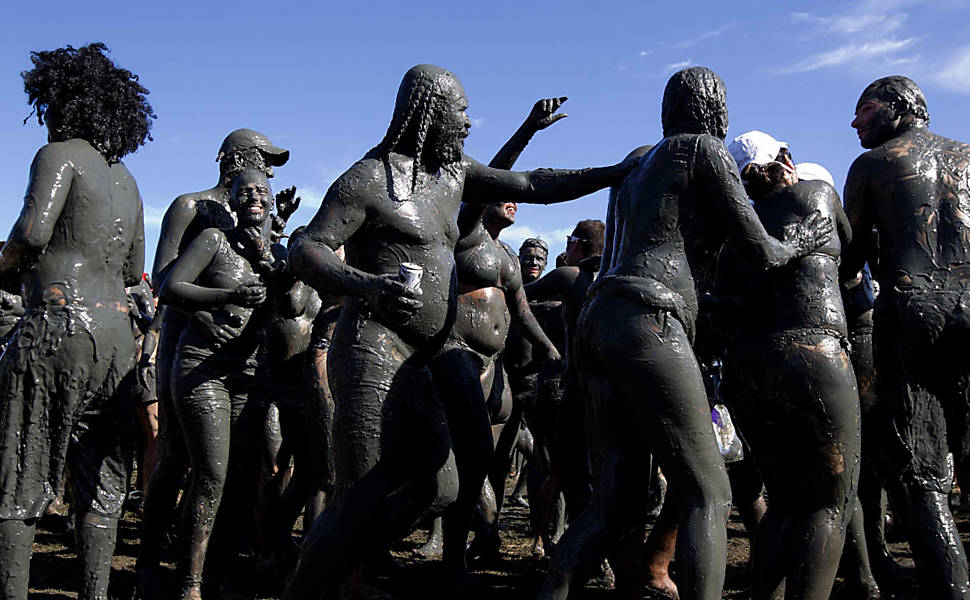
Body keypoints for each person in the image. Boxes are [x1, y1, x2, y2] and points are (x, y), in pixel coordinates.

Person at [282, 64, 633, 599]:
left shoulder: (454, 175)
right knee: (360, 492)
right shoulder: (369, 178)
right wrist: (368, 284)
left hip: (434, 348)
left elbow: (532, 183)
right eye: (461, 111)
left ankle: (352, 562)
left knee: (442, 481)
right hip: (376, 339)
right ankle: (310, 586)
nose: (468, 122)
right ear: (428, 114)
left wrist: (614, 172)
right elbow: (305, 247)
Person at [538, 66, 832, 600]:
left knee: (615, 503)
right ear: (716, 108)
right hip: (650, 318)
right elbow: (762, 252)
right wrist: (805, 237)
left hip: (600, 320)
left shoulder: (638, 160)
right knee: (709, 492)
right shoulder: (704, 149)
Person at [0, 42, 151, 600]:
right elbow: (135, 269)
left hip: (57, 326)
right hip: (115, 338)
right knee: (101, 487)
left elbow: (32, 233)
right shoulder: (128, 179)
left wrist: (3, 263)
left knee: (21, 471)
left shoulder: (56, 153)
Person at [137, 128, 294, 596]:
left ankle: (217, 561)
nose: (267, 171)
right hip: (188, 342)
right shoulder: (194, 208)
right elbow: (165, 279)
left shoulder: (257, 219)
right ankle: (149, 559)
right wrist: (208, 313)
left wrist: (273, 232)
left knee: (232, 465)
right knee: (174, 453)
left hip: (238, 353)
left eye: (269, 170)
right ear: (234, 159)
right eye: (262, 160)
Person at [715, 130, 862, 600]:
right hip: (813, 354)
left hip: (748, 366)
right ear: (783, 159)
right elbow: (854, 260)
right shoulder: (817, 193)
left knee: (782, 501)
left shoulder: (733, 233)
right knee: (828, 505)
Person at [841, 75, 970, 599]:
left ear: (900, 108)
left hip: (915, 311)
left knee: (922, 477)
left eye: (865, 109)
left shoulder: (873, 164)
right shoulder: (967, 156)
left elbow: (847, 262)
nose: (856, 122)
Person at [159, 169, 278, 600]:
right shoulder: (214, 240)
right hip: (203, 368)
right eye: (244, 191)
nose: (253, 197)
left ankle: (220, 574)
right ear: (231, 198)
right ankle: (189, 581)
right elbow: (170, 286)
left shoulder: (274, 254)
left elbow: (291, 308)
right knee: (211, 475)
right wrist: (225, 298)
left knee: (243, 479)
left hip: (249, 374)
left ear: (271, 202)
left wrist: (274, 268)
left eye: (261, 191)